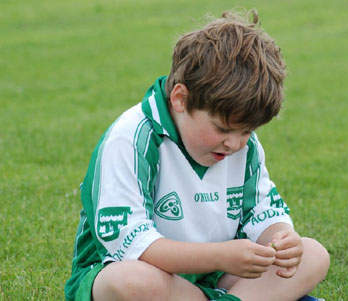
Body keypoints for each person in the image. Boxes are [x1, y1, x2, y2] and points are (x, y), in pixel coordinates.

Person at [65, 9, 330, 301]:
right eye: (222, 129)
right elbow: (134, 247)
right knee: (129, 281)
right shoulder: (132, 138)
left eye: (246, 132)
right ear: (181, 99)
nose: (235, 144)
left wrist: (282, 240)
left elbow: (263, 213)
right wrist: (219, 256)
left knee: (313, 255)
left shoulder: (244, 145)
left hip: (213, 279)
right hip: (136, 272)